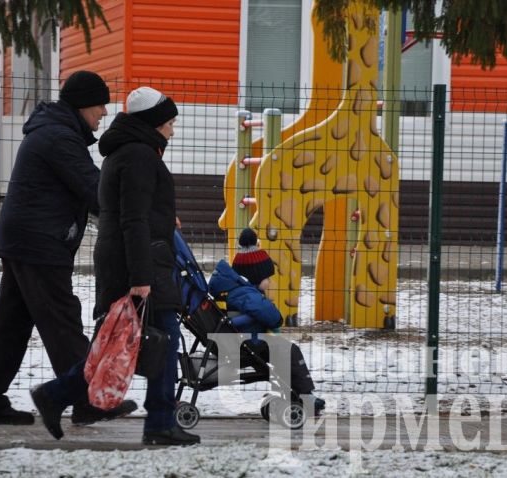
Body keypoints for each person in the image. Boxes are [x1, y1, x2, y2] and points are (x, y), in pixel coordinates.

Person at [30, 86, 200, 446]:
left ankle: (56, 395)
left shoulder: (126, 153)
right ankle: (159, 424)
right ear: (153, 123)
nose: (172, 129)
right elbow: (133, 220)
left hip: (131, 259)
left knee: (116, 346)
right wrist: (141, 278)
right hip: (141, 265)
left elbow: (136, 212)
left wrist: (166, 219)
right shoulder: (139, 156)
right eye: (169, 122)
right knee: (164, 341)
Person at [0, 71, 136, 426]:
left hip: (26, 239)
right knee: (63, 323)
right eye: (101, 104)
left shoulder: (55, 131)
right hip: (39, 242)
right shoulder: (59, 137)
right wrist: (137, 212)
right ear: (84, 104)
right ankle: (90, 400)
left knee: (11, 326)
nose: (104, 112)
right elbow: (94, 189)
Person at [208, 228, 325, 415]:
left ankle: (291, 394)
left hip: (241, 340)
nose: (269, 282)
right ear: (255, 277)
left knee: (279, 354)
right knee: (290, 351)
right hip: (248, 342)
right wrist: (269, 309)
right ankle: (305, 395)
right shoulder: (247, 295)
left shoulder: (237, 291)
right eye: (267, 278)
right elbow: (273, 317)